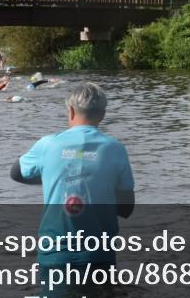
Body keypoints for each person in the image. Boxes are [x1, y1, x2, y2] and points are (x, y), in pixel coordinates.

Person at [10, 82, 135, 268]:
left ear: (70, 111)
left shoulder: (48, 145)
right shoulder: (115, 149)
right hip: (99, 256)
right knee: (104, 297)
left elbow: (16, 173)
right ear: (102, 114)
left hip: (54, 255)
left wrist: (53, 178)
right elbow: (126, 209)